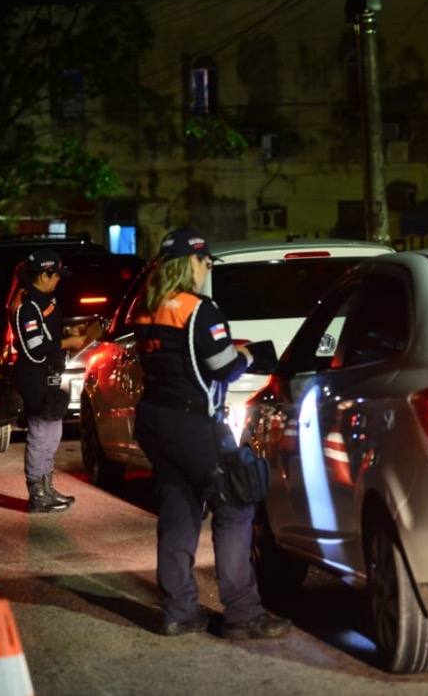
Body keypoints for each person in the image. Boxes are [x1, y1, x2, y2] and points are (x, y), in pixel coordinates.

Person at [132, 229, 292, 640]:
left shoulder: (146, 308)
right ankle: (242, 612)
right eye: (205, 263)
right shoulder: (198, 310)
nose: (207, 270)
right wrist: (252, 354)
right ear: (191, 264)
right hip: (194, 425)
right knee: (236, 506)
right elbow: (224, 368)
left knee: (178, 512)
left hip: (155, 422)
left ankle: (178, 611)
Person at [9, 249, 87, 513]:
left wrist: (68, 335)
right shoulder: (28, 304)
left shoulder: (43, 300)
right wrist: (68, 342)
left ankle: (47, 487)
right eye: (56, 276)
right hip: (34, 375)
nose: (58, 280)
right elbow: (35, 348)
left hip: (48, 375)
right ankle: (37, 493)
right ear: (43, 274)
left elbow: (48, 336)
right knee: (41, 434)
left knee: (53, 433)